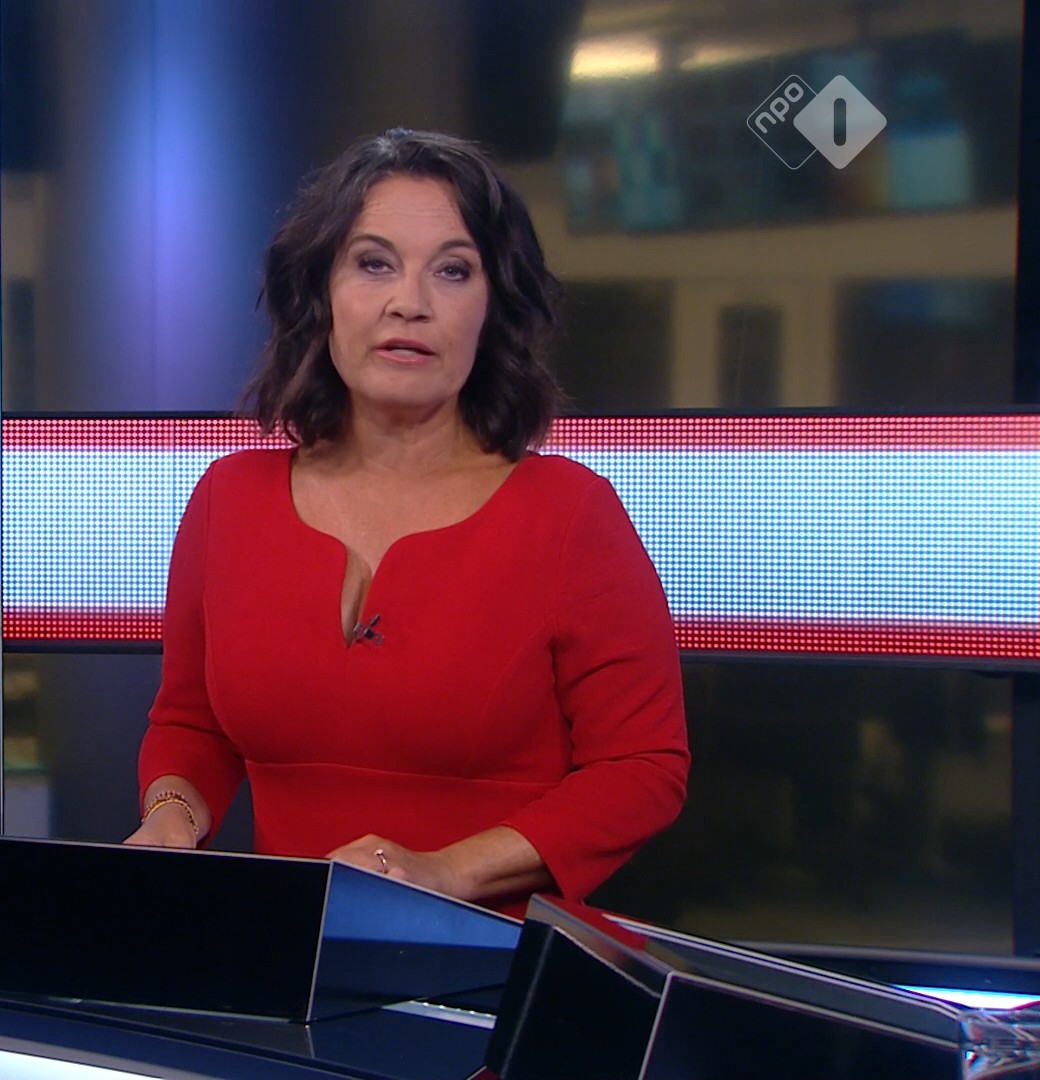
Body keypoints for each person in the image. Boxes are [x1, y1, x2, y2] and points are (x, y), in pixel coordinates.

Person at [126, 128, 687, 915]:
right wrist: (171, 820)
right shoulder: (229, 498)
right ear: (321, 293)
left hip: (495, 960)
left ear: (492, 308)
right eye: (374, 263)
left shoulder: (570, 515)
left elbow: (641, 768)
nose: (409, 303)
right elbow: (193, 726)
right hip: (286, 956)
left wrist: (444, 873)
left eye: (452, 270)